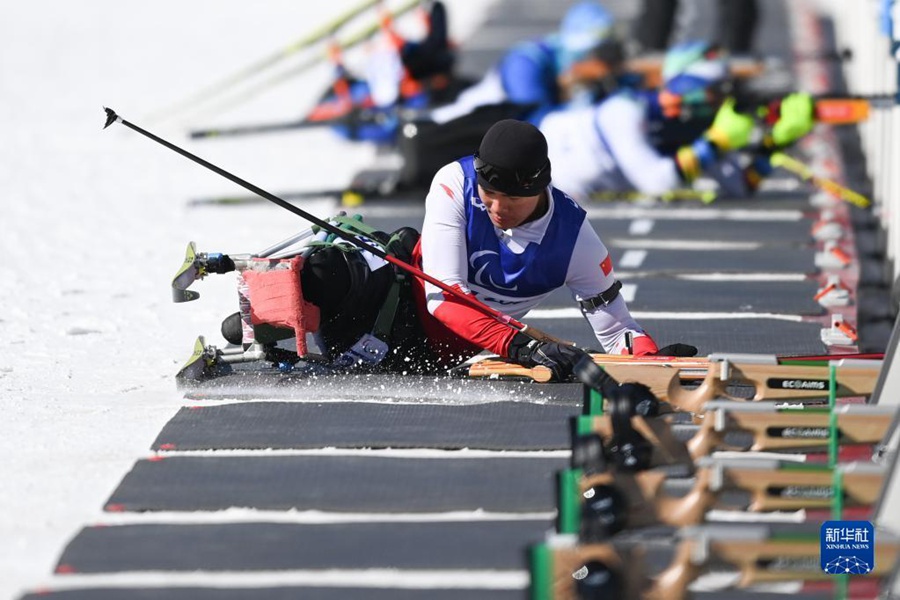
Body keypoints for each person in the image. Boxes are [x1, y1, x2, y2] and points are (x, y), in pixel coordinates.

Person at [408, 119, 696, 381]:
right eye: (489, 193)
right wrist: (523, 347)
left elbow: (618, 330)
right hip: (395, 300)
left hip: (433, 355)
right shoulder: (456, 182)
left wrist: (648, 359)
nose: (496, 209)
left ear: (539, 187)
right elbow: (446, 297)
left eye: (511, 198)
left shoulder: (575, 239)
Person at [537, 41, 815, 201]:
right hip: (536, 159)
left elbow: (739, 185)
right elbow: (656, 182)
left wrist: (776, 143)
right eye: (710, 90)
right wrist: (715, 143)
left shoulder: (698, 126)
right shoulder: (623, 111)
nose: (715, 100)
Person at [429, 1, 623, 124]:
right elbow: (536, 124)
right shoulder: (526, 62)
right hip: (455, 131)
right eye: (591, 53)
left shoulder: (561, 62)